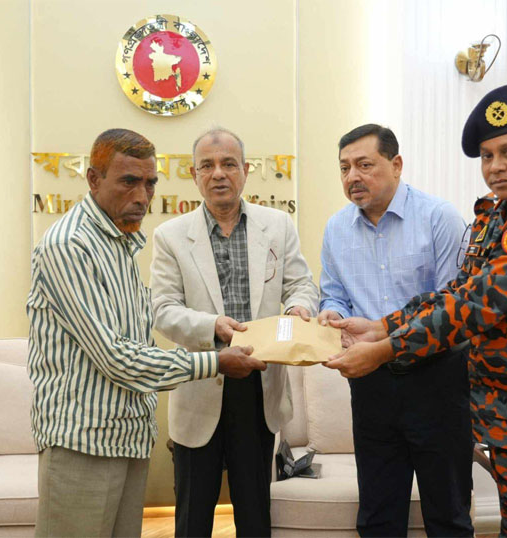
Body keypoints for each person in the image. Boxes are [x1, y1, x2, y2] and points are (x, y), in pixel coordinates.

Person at [326, 84, 507, 537]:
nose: (495, 166)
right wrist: (382, 325)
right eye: (486, 156)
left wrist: (384, 348)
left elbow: (472, 308)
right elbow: (457, 291)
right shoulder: (496, 217)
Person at [27, 128, 265, 538]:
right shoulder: (69, 246)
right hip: (82, 443)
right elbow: (117, 357)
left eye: (150, 183)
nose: (142, 195)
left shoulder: (120, 243)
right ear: (93, 179)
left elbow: (137, 338)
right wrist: (215, 360)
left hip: (126, 438)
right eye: (128, 182)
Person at [150, 127, 319, 537]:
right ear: (194, 175)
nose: (218, 173)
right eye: (207, 165)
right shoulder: (170, 236)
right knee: (193, 516)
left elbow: (301, 283)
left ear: (245, 171)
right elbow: (162, 309)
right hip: (201, 380)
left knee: (254, 512)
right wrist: (213, 328)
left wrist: (300, 308)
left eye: (228, 164)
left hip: (259, 385)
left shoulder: (277, 225)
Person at [318, 124, 474, 537]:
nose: (353, 177)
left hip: (437, 380)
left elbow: (451, 309)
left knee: (449, 513)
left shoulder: (439, 218)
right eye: (345, 168)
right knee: (378, 514)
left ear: (396, 164)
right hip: (371, 386)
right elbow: (332, 294)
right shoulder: (336, 228)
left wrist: (383, 342)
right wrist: (331, 318)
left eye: (365, 165)